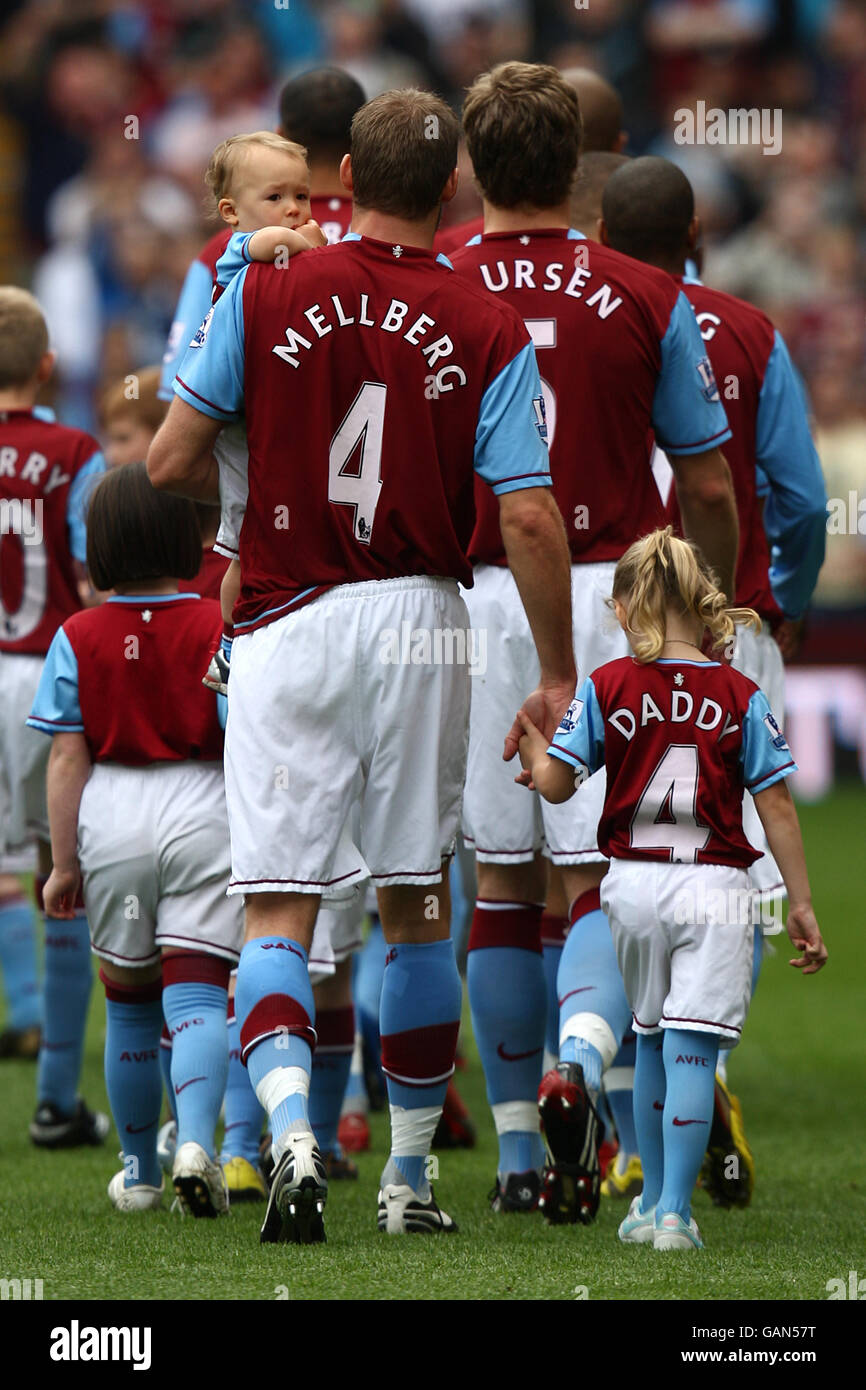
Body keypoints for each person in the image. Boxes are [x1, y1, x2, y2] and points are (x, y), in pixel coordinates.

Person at [147, 85, 575, 1244]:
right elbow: (530, 519)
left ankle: (288, 1136)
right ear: (451, 191)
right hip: (424, 620)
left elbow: (170, 457)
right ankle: (406, 1183)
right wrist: (553, 671)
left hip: (288, 619)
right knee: (418, 905)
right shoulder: (485, 322)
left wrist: (259, 460)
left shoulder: (271, 283)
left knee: (278, 910)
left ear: (341, 179)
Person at [451, 61, 738, 1220]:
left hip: (471, 596)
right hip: (612, 597)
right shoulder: (644, 293)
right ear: (576, 171)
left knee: (497, 882)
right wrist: (699, 592)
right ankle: (609, 1134)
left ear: (471, 167)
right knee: (596, 880)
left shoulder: (433, 285)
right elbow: (708, 481)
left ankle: (519, 1152)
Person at [600, 154, 827, 1205]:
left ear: (601, 228)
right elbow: (800, 494)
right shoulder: (744, 329)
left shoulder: (581, 312)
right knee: (728, 864)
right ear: (695, 232)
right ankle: (706, 1071)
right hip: (727, 622)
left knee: (584, 861)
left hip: (600, 617)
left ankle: (606, 1085)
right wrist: (776, 592)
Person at [515, 527, 827, 1251]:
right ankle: (676, 1216)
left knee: (649, 1041)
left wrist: (536, 747)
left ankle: (651, 1199)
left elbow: (557, 786)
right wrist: (802, 902)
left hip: (629, 887)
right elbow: (777, 804)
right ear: (703, 603)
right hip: (713, 885)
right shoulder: (740, 694)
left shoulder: (607, 686)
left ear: (623, 610)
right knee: (692, 1048)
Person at [28, 462, 244, 1217]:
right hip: (201, 804)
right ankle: (196, 1145)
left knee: (126, 1004)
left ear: (101, 547)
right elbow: (240, 734)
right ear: (189, 535)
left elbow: (64, 756)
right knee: (196, 999)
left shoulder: (76, 634)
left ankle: (138, 1171)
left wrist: (62, 864)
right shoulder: (219, 625)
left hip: (110, 811)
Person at [0, 286, 109, 1144]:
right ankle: (55, 1095)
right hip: (45, 674)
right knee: (58, 869)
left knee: (6, 866)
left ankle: (26, 1013)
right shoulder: (76, 451)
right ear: (47, 365)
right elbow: (88, 580)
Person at [157, 68, 365, 406]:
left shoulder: (217, 250)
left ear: (282, 136)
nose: (294, 208)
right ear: (358, 145)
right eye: (275, 198)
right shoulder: (383, 239)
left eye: (301, 196)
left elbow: (179, 386)